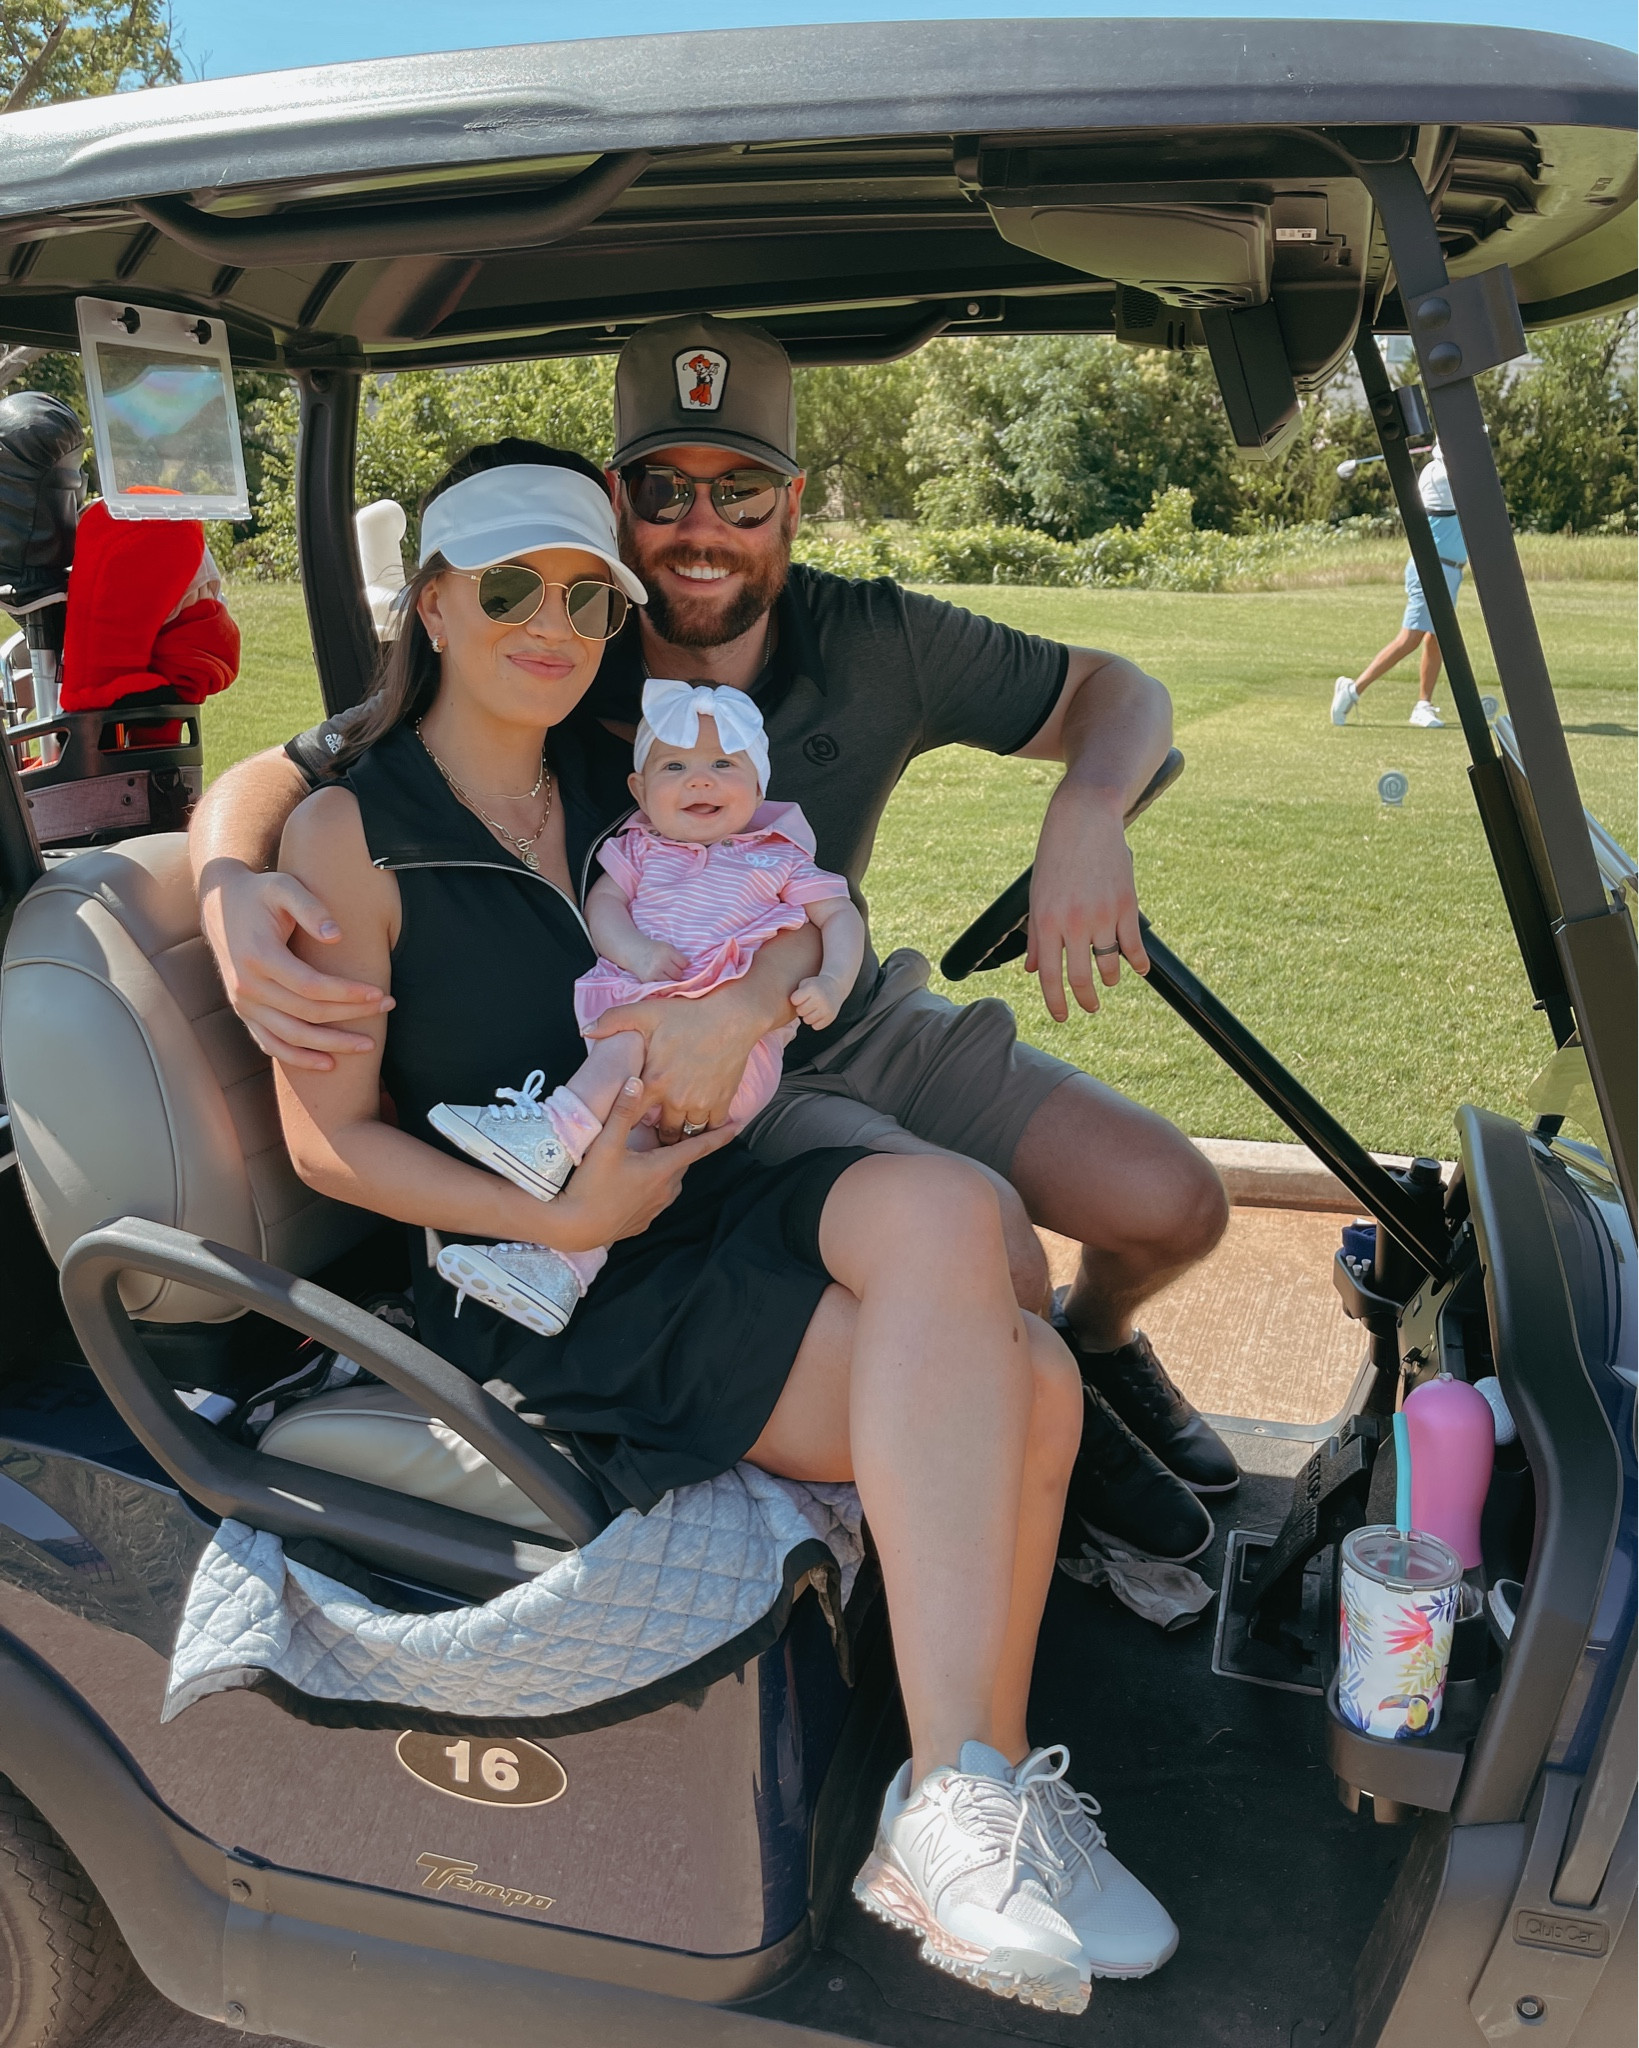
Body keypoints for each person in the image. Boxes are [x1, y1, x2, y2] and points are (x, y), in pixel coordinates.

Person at [268, 440, 1179, 2003]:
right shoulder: (350, 834)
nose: (549, 623)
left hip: (704, 1175)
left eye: (579, 593)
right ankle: (973, 1793)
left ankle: (961, 1804)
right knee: (1022, 1378)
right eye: (506, 590)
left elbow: (788, 902)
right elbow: (327, 1141)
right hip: (552, 1264)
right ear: (429, 602)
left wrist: (760, 992)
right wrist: (551, 1217)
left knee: (956, 1210)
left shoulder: (604, 757)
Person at [191, 317, 1237, 1565]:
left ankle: (1096, 1349)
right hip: (692, 1070)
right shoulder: (566, 654)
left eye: (738, 489)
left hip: (838, 1009)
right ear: (619, 507)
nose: (700, 526)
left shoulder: (869, 638)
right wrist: (220, 877)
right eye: (661, 490)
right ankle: (1031, 1472)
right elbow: (316, 764)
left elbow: (1116, 694)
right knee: (984, 1242)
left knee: (1172, 1203)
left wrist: (1084, 810)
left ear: (790, 502)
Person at [429, 674, 864, 1335]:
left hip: (723, 1058)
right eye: (675, 766)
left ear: (758, 784)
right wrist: (633, 952)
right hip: (643, 1038)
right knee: (622, 1159)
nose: (699, 781)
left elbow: (839, 918)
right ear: (639, 790)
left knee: (633, 1033)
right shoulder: (636, 847)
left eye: (723, 764)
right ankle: (560, 1272)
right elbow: (603, 905)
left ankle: (554, 1130)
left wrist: (831, 981)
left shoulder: (776, 858)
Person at [1331, 442, 1466, 730]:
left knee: (1437, 638)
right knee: (1410, 638)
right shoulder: (1440, 476)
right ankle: (1353, 691)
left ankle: (1423, 705)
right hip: (1430, 567)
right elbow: (1475, 490)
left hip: (1450, 571)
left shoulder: (1446, 469)